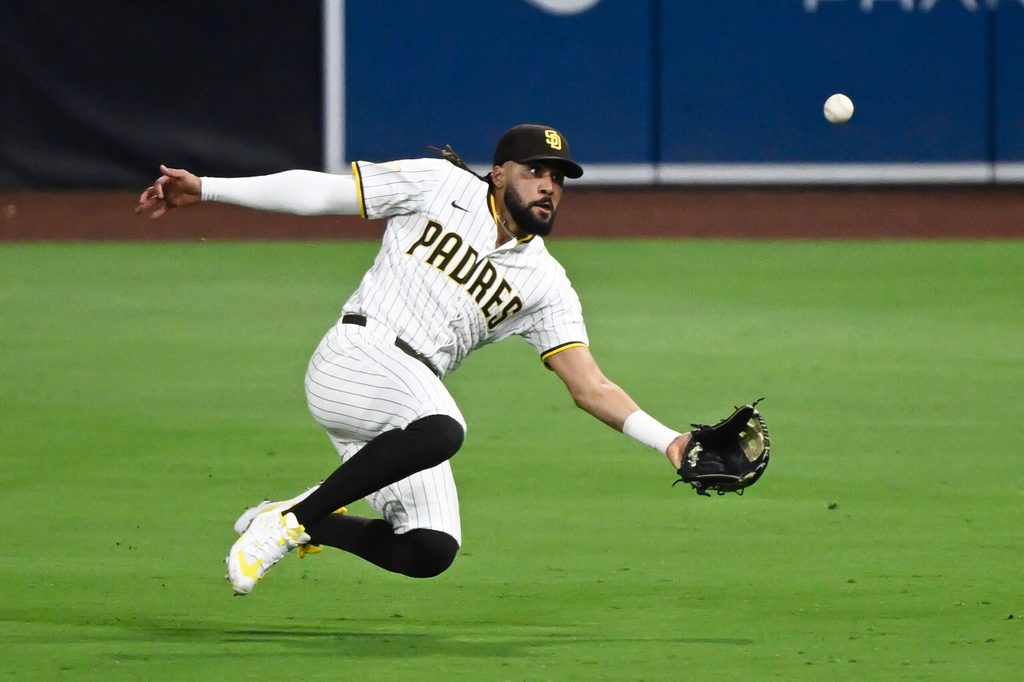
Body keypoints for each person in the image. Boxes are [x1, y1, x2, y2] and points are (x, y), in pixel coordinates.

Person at [136, 124, 693, 596]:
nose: (548, 186)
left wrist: (667, 439)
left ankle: (305, 520)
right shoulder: (439, 186)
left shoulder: (546, 283)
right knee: (444, 429)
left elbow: (590, 385)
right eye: (534, 171)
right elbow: (321, 194)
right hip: (355, 355)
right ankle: (288, 525)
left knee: (429, 550)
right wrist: (208, 189)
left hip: (399, 410)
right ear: (499, 174)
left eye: (558, 178)